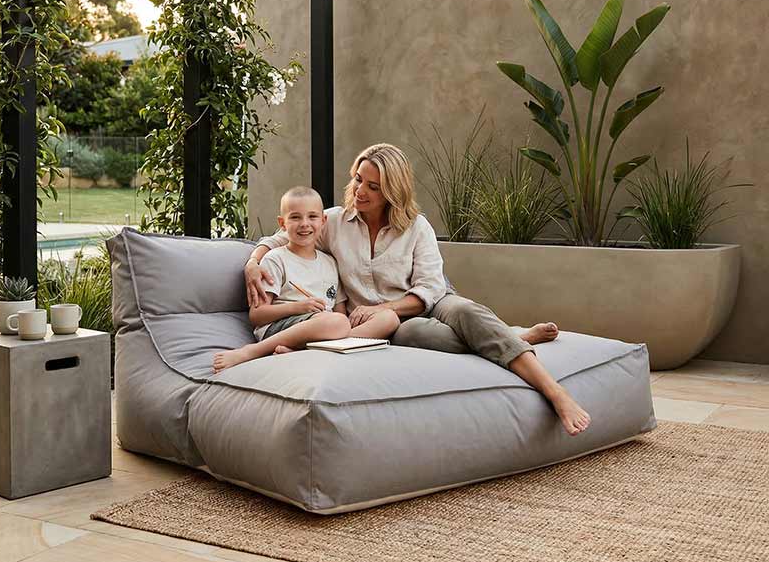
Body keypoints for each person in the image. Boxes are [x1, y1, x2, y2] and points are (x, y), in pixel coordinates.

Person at [245, 144, 591, 437]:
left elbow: (429, 287)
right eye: (358, 179)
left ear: (393, 190)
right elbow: (282, 237)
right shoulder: (333, 221)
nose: (360, 191)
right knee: (429, 338)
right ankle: (510, 336)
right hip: (394, 326)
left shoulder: (416, 226)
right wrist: (254, 262)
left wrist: (386, 308)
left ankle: (555, 392)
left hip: (428, 300)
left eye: (374, 186)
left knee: (467, 313)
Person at [213, 185, 399, 372]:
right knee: (337, 323)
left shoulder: (330, 263)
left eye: (312, 217)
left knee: (389, 318)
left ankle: (305, 351)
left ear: (323, 221)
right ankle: (253, 352)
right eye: (295, 217)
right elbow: (256, 315)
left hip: (326, 326)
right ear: (282, 223)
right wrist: (299, 307)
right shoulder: (275, 259)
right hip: (280, 329)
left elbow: (339, 311)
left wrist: (339, 324)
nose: (304, 224)